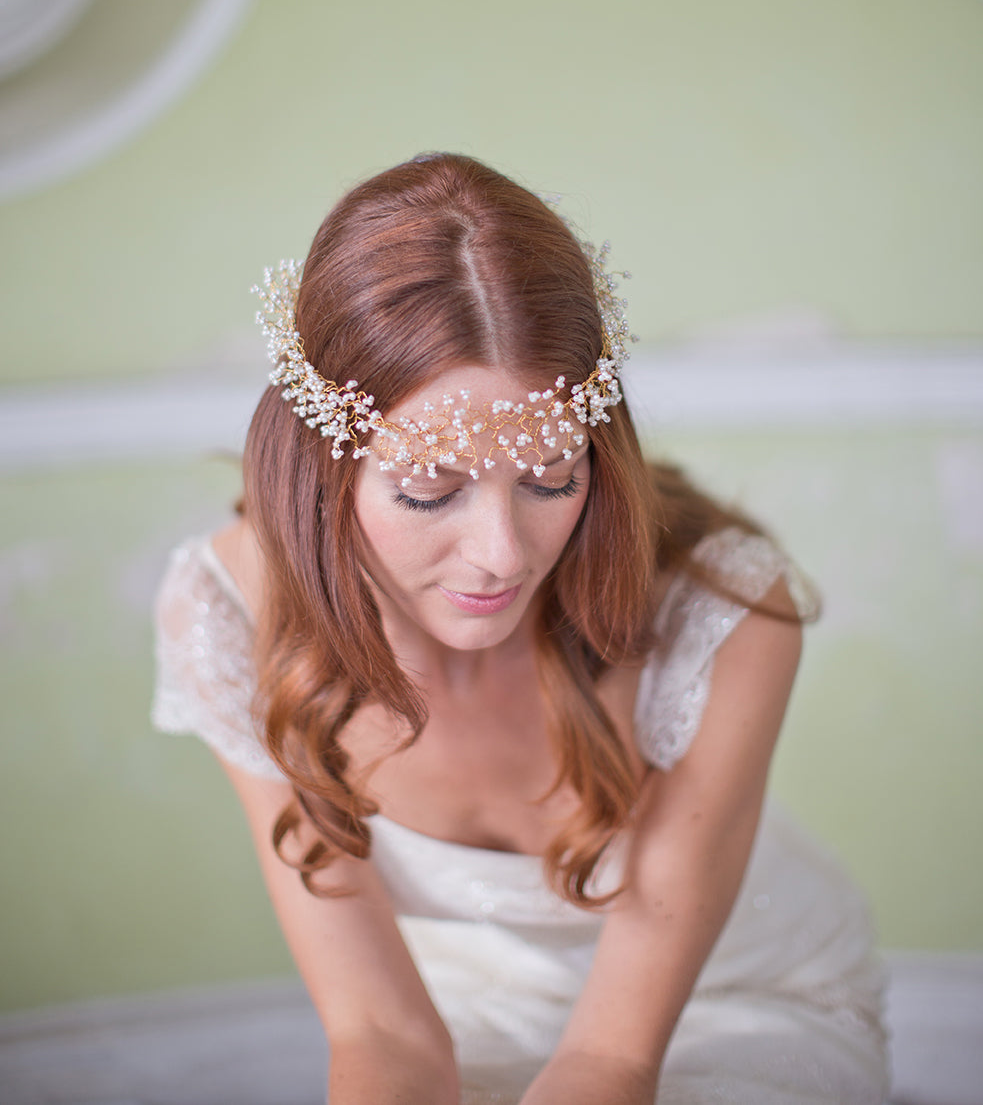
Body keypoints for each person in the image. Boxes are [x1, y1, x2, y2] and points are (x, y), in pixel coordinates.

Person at [152, 153, 889, 1104]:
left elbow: (612, 1061)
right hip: (470, 1007)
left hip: (738, 997)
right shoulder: (229, 616)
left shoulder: (728, 616)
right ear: (323, 466)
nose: (502, 553)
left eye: (549, 480)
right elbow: (383, 1030)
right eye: (428, 491)